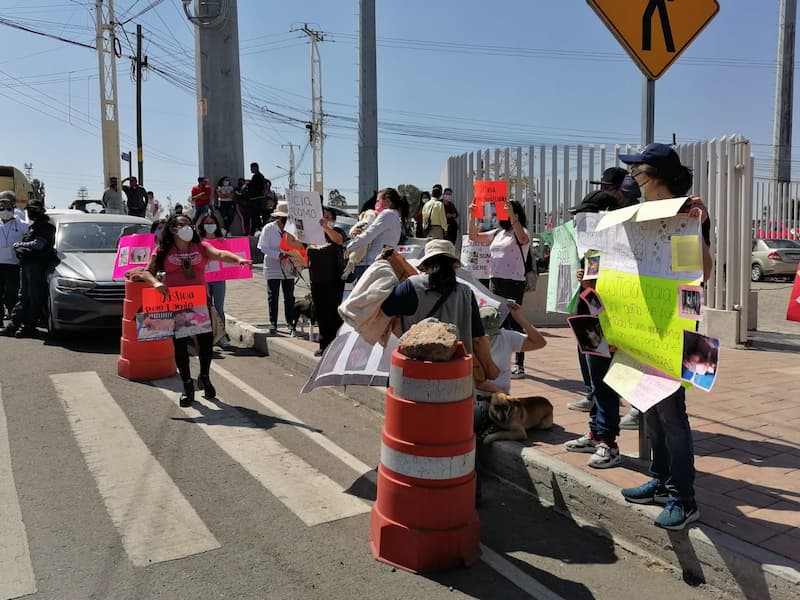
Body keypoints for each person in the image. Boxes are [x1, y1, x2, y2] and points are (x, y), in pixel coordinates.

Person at [617, 143, 713, 530]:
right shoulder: (636, 215)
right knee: (648, 406)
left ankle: (683, 499)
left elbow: (701, 272)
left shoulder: (687, 212)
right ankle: (661, 480)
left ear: (653, 176)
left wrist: (696, 225)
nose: (633, 178)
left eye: (637, 171)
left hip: (674, 324)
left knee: (672, 414)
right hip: (640, 322)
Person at [137, 214, 251, 406]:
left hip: (199, 301)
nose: (186, 227)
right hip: (174, 303)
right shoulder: (163, 250)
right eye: (181, 224)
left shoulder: (201, 246)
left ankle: (205, 377)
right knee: (180, 344)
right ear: (172, 229)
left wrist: (238, 259)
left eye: (188, 224)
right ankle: (187, 385)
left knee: (206, 342)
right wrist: (156, 283)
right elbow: (148, 272)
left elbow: (220, 254)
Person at [380, 239, 500, 379]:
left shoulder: (411, 286)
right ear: (453, 266)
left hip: (414, 373)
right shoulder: (465, 293)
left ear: (425, 265)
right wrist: (489, 367)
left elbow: (386, 309)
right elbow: (478, 339)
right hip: (455, 376)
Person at [468, 198, 531, 379]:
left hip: (513, 283)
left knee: (515, 323)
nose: (503, 213)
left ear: (516, 212)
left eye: (508, 209)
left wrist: (512, 216)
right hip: (495, 281)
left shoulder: (521, 231)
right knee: (494, 322)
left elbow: (523, 238)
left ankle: (519, 365)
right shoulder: (497, 233)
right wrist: (472, 216)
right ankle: (496, 360)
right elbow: (474, 237)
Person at [0, 198, 56, 338]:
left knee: (33, 297)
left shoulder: (46, 225)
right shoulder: (35, 225)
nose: (31, 213)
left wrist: (19, 245)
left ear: (42, 210)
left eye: (35, 210)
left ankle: (28, 326)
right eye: (29, 210)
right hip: (26, 265)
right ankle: (14, 324)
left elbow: (39, 244)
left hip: (37, 266)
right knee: (23, 296)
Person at [257, 202, 302, 335]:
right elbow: (263, 247)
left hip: (288, 267)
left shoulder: (294, 230)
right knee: (273, 296)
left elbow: (299, 246)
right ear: (277, 218)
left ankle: (290, 322)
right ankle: (273, 323)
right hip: (272, 267)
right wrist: (278, 255)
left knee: (289, 296)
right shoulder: (268, 228)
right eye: (283, 219)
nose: (285, 222)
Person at [307, 206, 347, 356]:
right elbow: (296, 245)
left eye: (328, 217)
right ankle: (324, 345)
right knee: (321, 313)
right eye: (323, 216)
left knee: (333, 313)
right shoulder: (311, 236)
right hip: (316, 280)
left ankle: (335, 345)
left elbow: (339, 240)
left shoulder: (336, 231)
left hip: (333, 280)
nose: (325, 219)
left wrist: (325, 227)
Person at [346, 187, 403, 281]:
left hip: (371, 264)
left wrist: (348, 246)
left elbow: (368, 236)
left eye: (378, 201)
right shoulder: (394, 215)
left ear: (387, 201)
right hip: (382, 262)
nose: (376, 204)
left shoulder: (387, 214)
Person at [197, 213, 230, 347]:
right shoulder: (198, 241)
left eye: (212, 223)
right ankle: (208, 336)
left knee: (219, 308)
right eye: (207, 223)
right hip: (203, 278)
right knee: (204, 307)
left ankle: (222, 336)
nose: (210, 225)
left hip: (219, 278)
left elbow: (229, 256)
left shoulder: (221, 239)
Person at [0, 192, 28, 324]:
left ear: (13, 205)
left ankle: (12, 321)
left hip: (14, 265)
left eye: (8, 205)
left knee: (12, 294)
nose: (4, 209)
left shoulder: (22, 225)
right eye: (1, 205)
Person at [247, 163, 268, 230]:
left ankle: (254, 230)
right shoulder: (260, 176)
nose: (250, 169)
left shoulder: (257, 176)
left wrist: (248, 186)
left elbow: (255, 188)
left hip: (256, 199)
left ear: (255, 167)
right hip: (257, 199)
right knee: (256, 216)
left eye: (251, 168)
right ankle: (257, 229)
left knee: (255, 216)